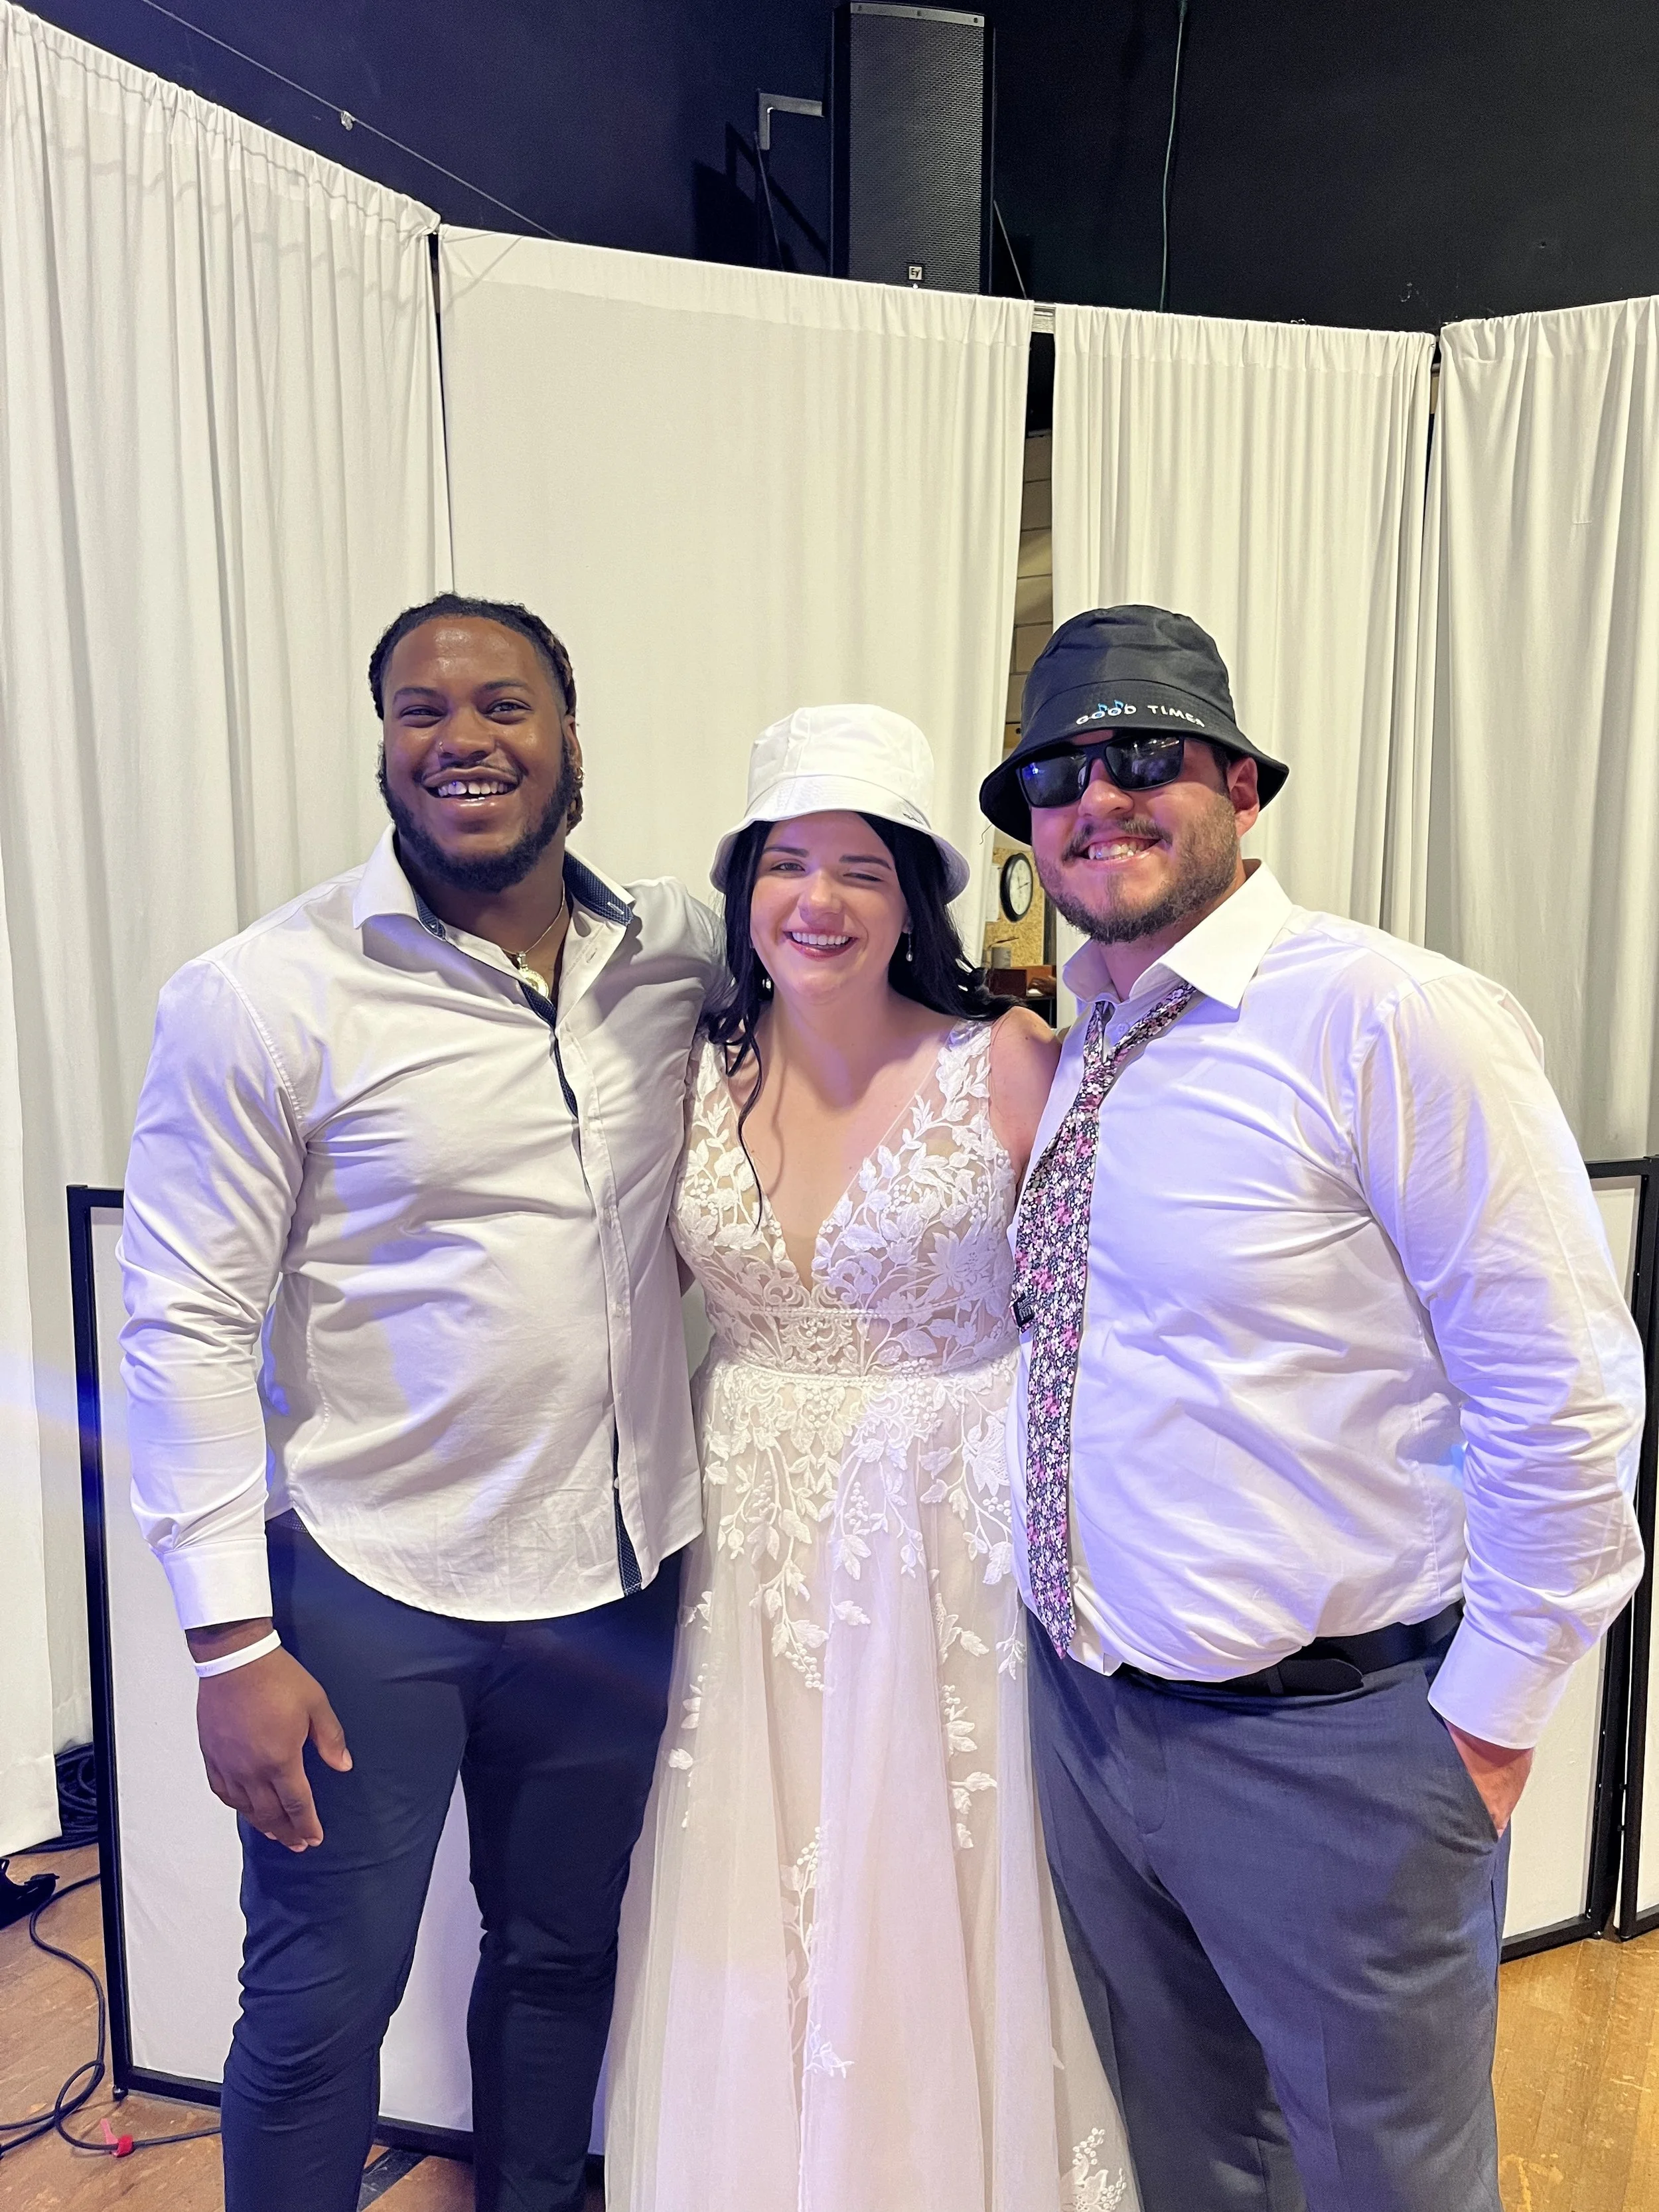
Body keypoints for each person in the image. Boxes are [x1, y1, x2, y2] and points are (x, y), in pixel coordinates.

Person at [977, 603, 1646, 2212]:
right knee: (1196, 2164)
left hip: (1333, 1747)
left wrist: (1485, 1725)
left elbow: (1560, 1388)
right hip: (1091, 1715)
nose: (1096, 796)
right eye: (1056, 772)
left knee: (1387, 2185)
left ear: (1238, 785)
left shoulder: (1389, 1016)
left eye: (1142, 754)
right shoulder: (1085, 1037)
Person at [119, 594, 721, 2212]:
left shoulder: (678, 950)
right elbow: (182, 1324)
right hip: (375, 1592)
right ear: (383, 745)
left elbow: (858, 963)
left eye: (503, 704)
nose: (463, 739)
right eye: (420, 710)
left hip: (615, 1576)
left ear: (571, 736)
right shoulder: (262, 993)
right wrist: (228, 1645)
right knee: (321, 2007)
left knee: (558, 1960)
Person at [606, 705, 1135, 2212]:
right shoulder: (690, 1072)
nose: (816, 901)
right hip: (751, 1534)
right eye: (786, 863)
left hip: (945, 1539)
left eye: (859, 867)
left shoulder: (1007, 1063)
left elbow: (1098, 1315)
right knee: (755, 1875)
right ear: (744, 890)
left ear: (914, 898)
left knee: (933, 1872)